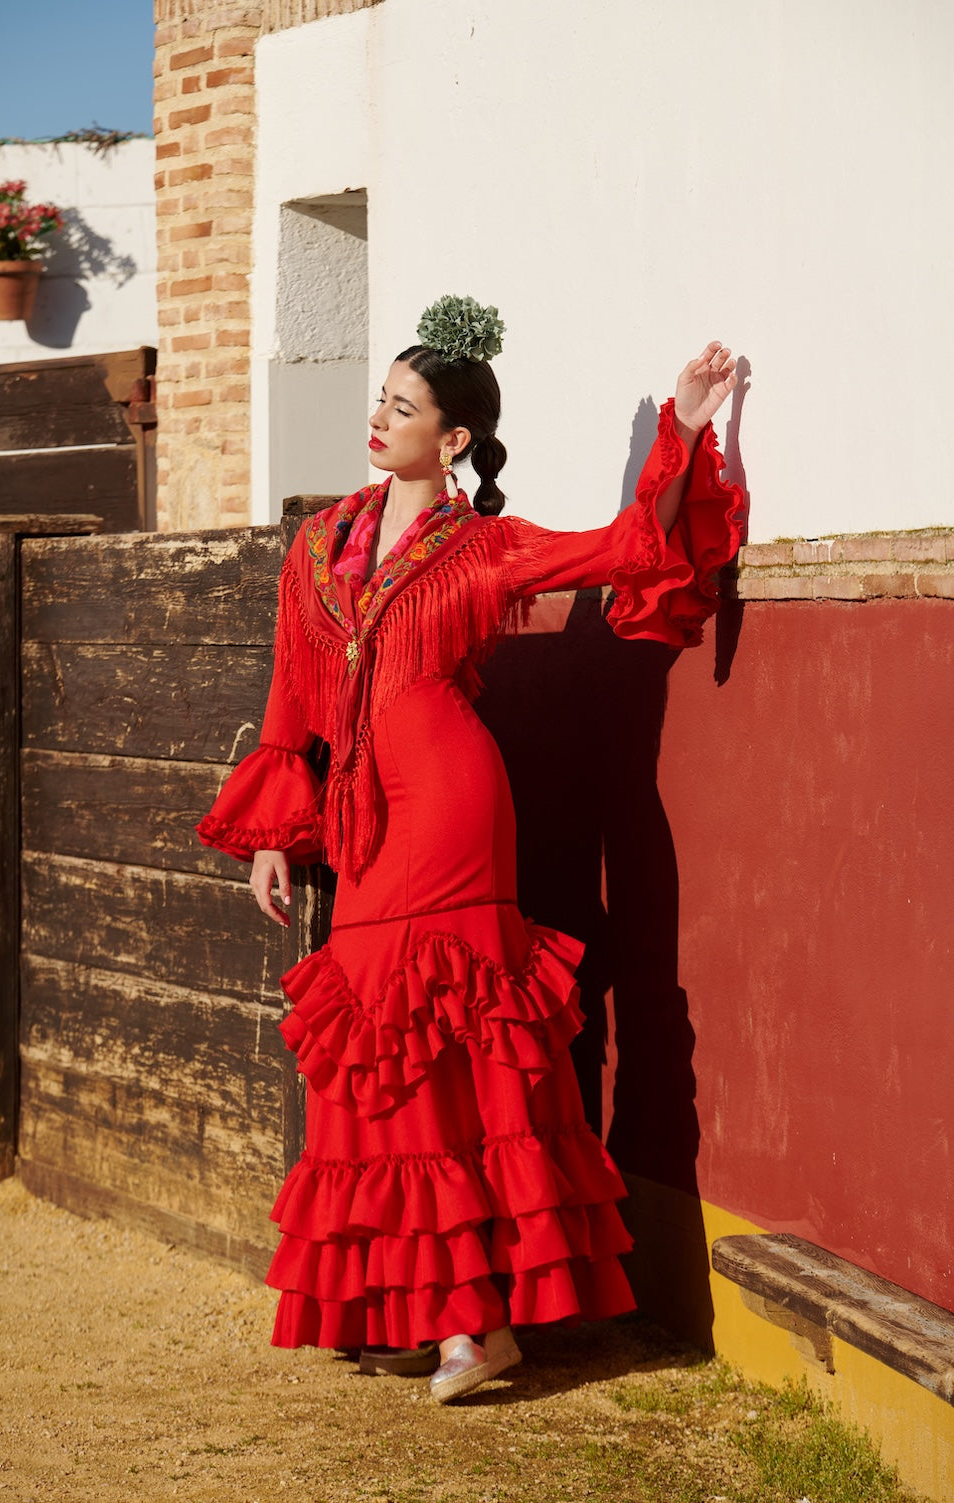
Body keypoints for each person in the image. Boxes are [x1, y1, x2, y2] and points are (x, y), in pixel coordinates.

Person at [197, 295, 743, 1403]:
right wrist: (274, 835)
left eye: (402, 407)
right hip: (361, 823)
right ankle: (422, 1307)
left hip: (450, 805)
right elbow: (294, 694)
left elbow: (630, 548)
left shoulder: (486, 546)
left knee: (450, 1040)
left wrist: (681, 427)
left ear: (452, 439)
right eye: (379, 401)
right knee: (379, 1051)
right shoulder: (317, 544)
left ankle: (474, 1325)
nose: (379, 418)